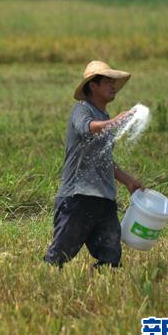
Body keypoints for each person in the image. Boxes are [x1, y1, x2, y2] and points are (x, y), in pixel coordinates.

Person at [44, 60, 144, 268]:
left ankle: (100, 285)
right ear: (93, 85)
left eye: (113, 82)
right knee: (59, 255)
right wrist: (116, 121)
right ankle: (45, 278)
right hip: (78, 197)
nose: (113, 86)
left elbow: (103, 158)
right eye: (108, 82)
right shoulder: (82, 110)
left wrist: (128, 181)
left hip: (104, 199)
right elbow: (87, 127)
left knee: (111, 256)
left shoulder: (104, 116)